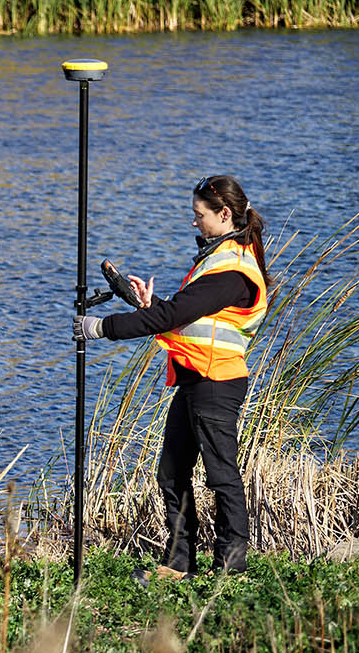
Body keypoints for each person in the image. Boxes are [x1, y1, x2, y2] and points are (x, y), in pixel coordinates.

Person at [74, 174, 268, 578]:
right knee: (172, 472)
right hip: (196, 378)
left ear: (224, 214)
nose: (194, 221)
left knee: (221, 475)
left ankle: (231, 567)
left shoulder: (232, 270)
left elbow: (175, 315)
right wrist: (151, 305)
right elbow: (187, 314)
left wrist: (101, 327)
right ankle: (179, 563)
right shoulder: (218, 260)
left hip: (216, 383)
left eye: (199, 214)